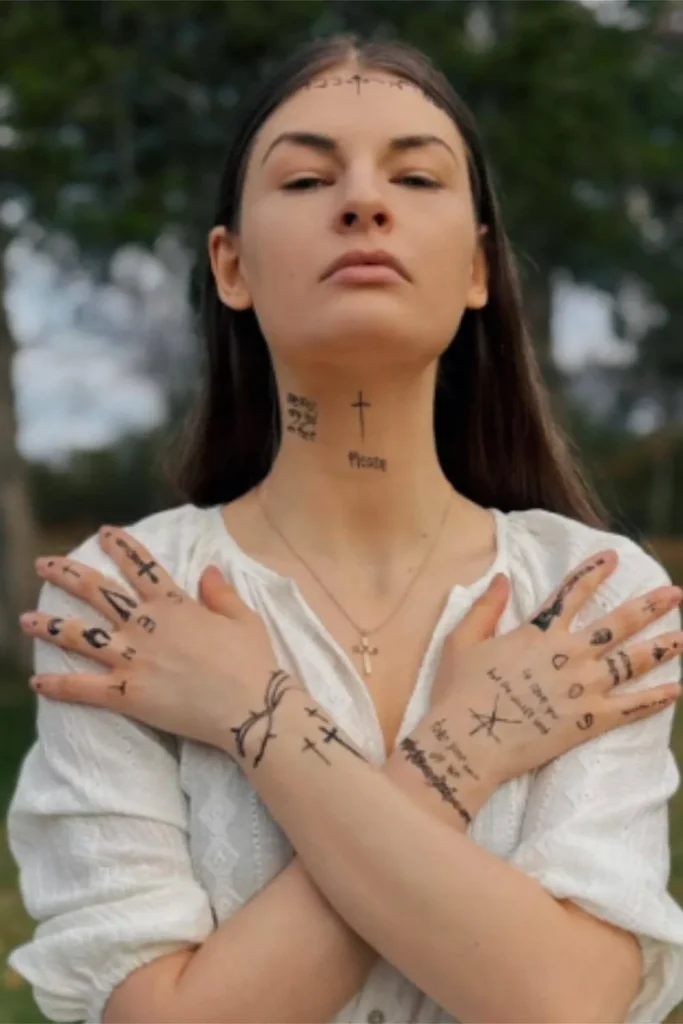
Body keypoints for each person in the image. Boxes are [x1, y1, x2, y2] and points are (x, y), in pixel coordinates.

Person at [6, 32, 683, 1024]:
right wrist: (470, 748)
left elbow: (562, 1003)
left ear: (476, 267)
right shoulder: (134, 595)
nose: (362, 203)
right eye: (306, 178)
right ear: (229, 266)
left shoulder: (586, 599)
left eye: (414, 175)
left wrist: (254, 716)